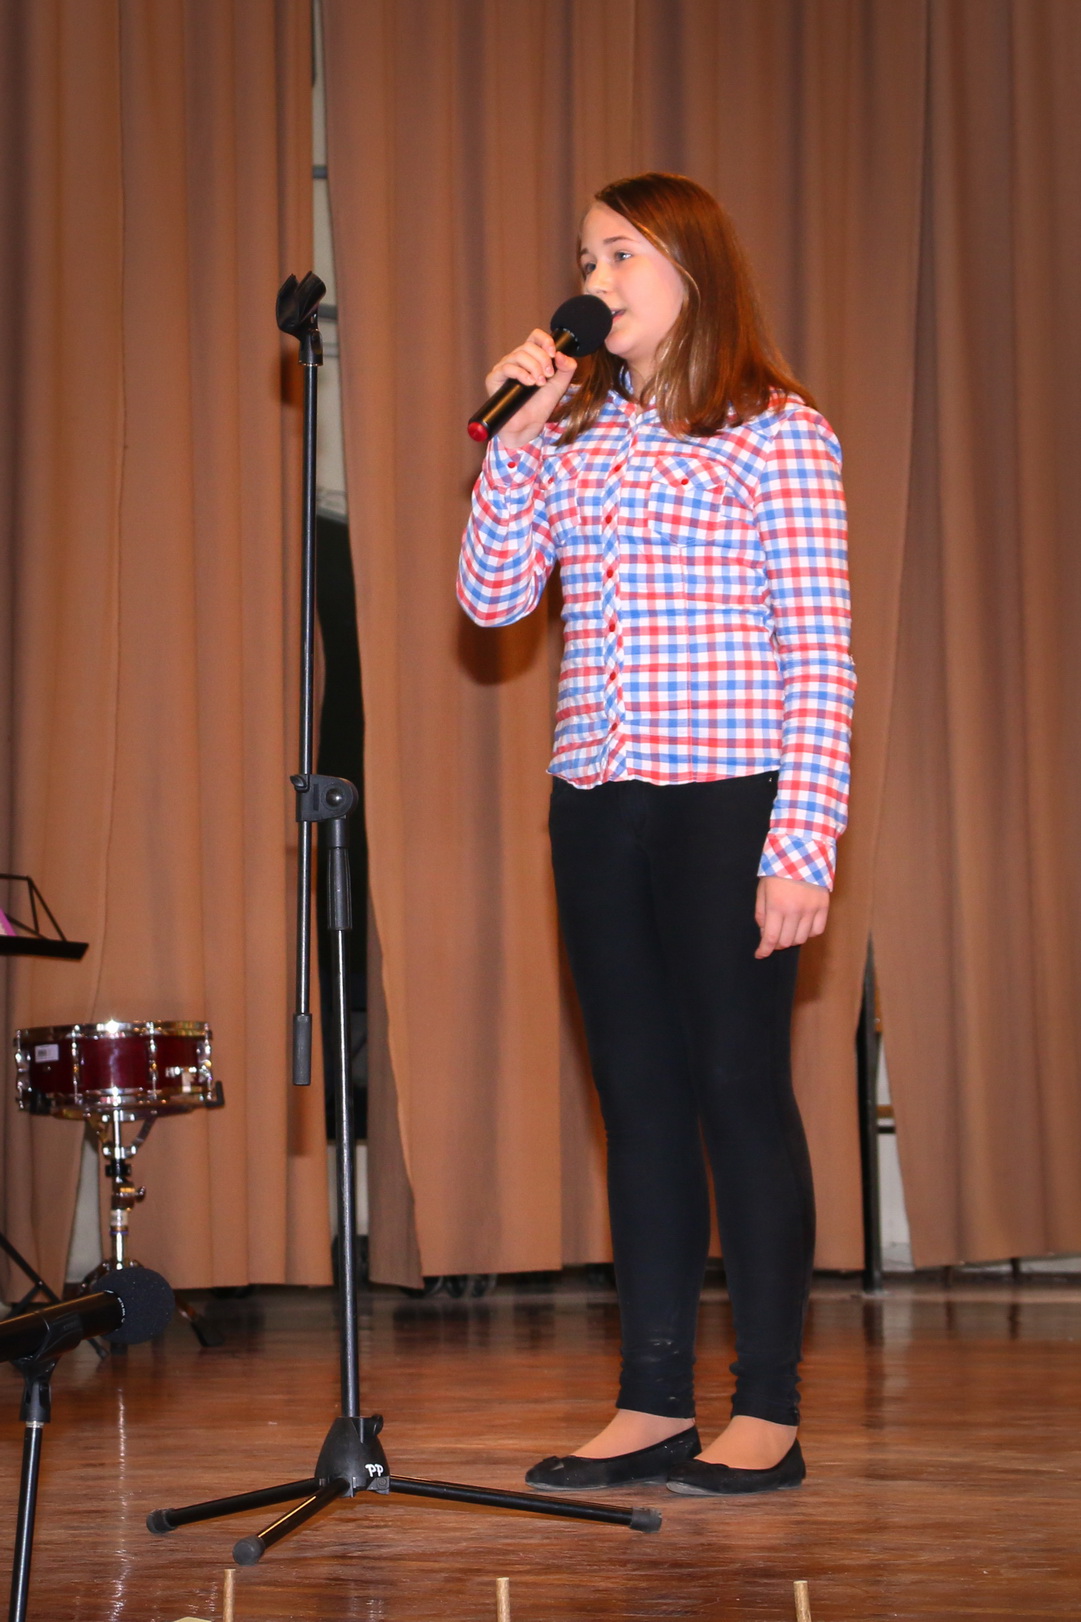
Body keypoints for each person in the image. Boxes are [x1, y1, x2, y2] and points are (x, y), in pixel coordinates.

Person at [458, 172, 854, 1497]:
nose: (595, 278)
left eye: (620, 253)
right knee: (635, 1100)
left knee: (738, 1088)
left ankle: (769, 1411)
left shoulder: (777, 433)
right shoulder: (574, 438)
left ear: (689, 268)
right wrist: (515, 441)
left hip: (728, 797)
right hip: (596, 797)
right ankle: (650, 1400)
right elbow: (492, 601)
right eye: (586, 257)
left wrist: (801, 845)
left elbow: (820, 655)